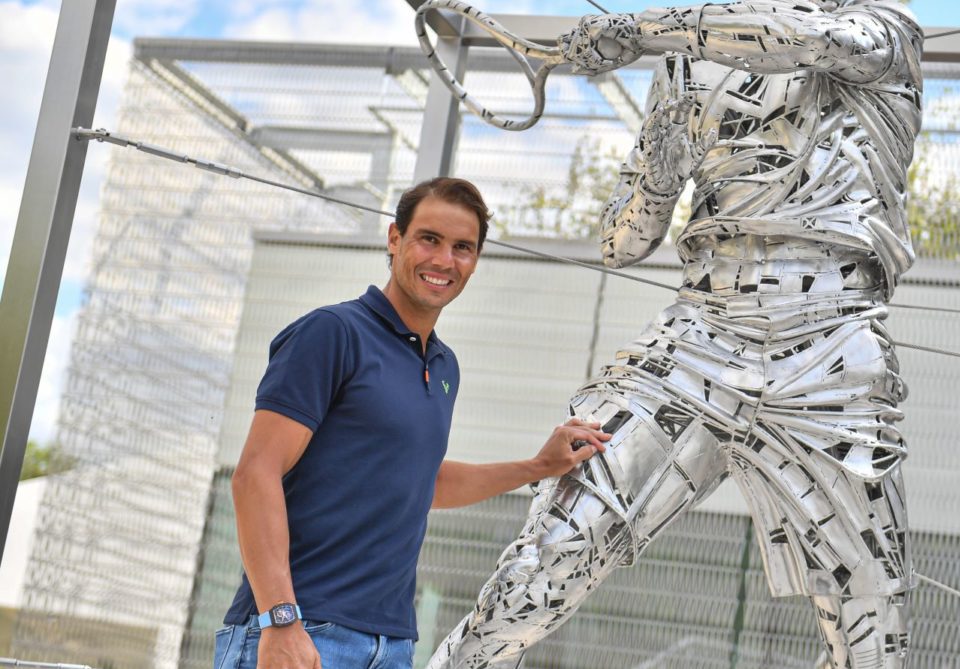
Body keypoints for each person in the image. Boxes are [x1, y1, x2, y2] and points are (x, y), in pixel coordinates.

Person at [429, 1, 923, 668]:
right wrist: (665, 163)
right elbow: (620, 241)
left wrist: (637, 31)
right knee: (548, 560)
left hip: (831, 355)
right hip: (699, 338)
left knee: (872, 633)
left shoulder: (882, 31)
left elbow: (795, 37)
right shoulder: (685, 63)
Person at [214, 177, 611, 669]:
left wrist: (537, 466)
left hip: (391, 644)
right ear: (394, 238)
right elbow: (254, 474)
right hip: (303, 631)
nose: (444, 261)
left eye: (462, 247)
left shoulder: (444, 366)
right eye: (429, 239)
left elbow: (426, 482)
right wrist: (281, 620)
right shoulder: (333, 334)